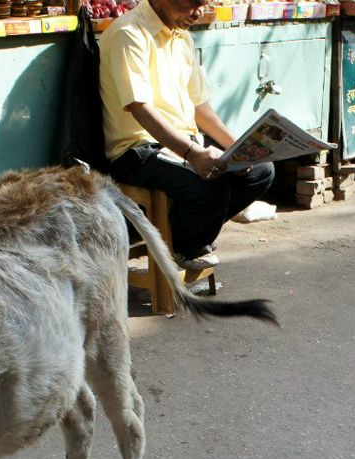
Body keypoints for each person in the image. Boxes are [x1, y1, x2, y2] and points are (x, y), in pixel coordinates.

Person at [98, 0, 275, 272]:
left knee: (260, 171)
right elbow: (139, 107)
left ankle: (188, 238)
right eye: (193, 3)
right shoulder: (129, 33)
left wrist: (240, 147)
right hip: (137, 151)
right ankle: (183, 245)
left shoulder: (182, 38)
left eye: (203, 5)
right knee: (209, 186)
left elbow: (199, 107)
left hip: (182, 147)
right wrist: (191, 154)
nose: (198, 12)